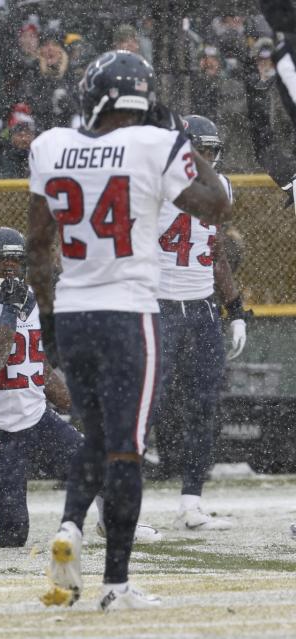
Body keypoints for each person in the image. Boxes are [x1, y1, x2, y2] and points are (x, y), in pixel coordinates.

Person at [26, 51, 232, 611]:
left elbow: (38, 248)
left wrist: (48, 317)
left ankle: (70, 525)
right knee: (125, 449)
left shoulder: (51, 146)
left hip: (74, 311)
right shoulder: (154, 144)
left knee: (94, 434)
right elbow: (216, 205)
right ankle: (115, 584)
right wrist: (179, 133)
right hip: (131, 314)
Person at [0, 227, 160, 548]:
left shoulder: (31, 299)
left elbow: (36, 365)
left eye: (16, 263)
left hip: (38, 419)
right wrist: (9, 310)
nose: (10, 269)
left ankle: (110, 521)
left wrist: (76, 404)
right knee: (12, 536)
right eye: (1, 262)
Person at [154, 115, 246, 531]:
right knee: (144, 405)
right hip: (159, 306)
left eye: (210, 152)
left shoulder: (221, 187)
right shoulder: (154, 183)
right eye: (198, 151)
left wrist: (236, 306)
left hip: (203, 308)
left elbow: (217, 251)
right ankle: (119, 504)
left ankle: (191, 503)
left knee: (204, 406)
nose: (205, 159)